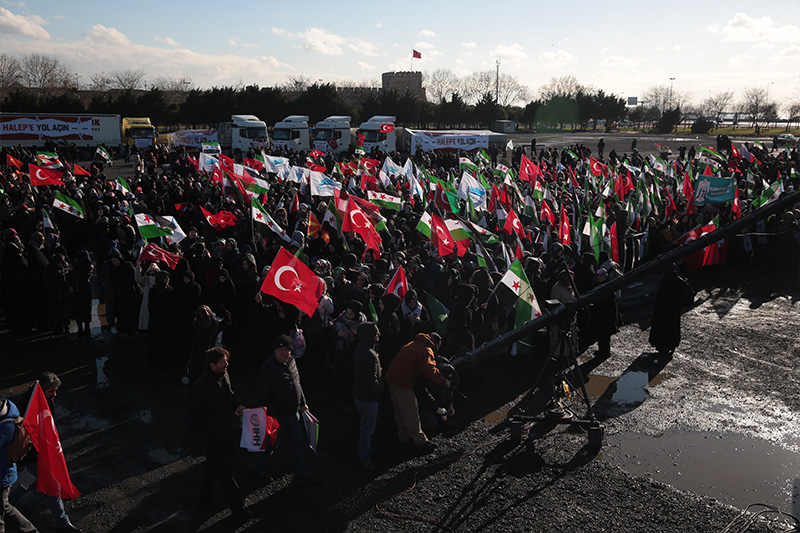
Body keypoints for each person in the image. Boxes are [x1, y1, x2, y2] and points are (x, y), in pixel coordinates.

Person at [10, 373, 80, 532]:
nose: (55, 394)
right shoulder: (26, 407)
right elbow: (19, 439)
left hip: (40, 452)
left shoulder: (45, 399)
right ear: (42, 389)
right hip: (32, 455)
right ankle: (62, 524)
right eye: (52, 391)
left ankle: (6, 504)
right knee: (52, 486)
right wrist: (20, 463)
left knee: (28, 480)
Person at [189, 347, 246, 522]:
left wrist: (238, 406)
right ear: (212, 365)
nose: (227, 364)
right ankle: (239, 511)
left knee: (212, 468)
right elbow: (196, 415)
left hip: (225, 433)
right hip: (214, 437)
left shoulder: (224, 376)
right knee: (226, 474)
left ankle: (204, 500)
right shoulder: (202, 386)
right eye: (223, 362)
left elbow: (230, 394)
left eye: (226, 361)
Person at [257, 335, 317, 483]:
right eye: (280, 350)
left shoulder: (291, 363)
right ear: (274, 351)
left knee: (297, 443)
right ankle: (257, 468)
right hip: (278, 416)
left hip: (293, 413)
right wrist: (273, 415)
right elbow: (263, 394)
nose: (284, 353)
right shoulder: (268, 368)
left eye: (286, 350)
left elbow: (297, 383)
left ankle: (303, 474)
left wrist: (302, 402)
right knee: (271, 445)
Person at [385, 332, 449, 453]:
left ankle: (404, 438)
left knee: (399, 410)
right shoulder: (426, 350)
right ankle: (421, 442)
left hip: (392, 378)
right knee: (411, 410)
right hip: (402, 381)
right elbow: (430, 370)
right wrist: (444, 381)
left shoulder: (414, 344)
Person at [0, 398, 39, 533]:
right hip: (7, 471)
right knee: (5, 507)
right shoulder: (8, 406)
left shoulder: (4, 426)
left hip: (1, 475)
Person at [352, 323, 382, 471]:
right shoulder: (369, 354)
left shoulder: (360, 348)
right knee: (367, 429)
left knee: (365, 426)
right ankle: (364, 457)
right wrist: (380, 392)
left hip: (359, 394)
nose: (378, 335)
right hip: (368, 397)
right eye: (376, 333)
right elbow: (372, 380)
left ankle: (367, 450)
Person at [649, 264, 693, 357]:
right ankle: (670, 344)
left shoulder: (665, 280)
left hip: (663, 309)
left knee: (662, 327)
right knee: (672, 327)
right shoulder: (678, 280)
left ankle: (661, 344)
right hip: (673, 309)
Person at [590, 269, 619, 359]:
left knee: (604, 335)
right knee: (601, 334)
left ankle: (605, 351)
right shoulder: (600, 285)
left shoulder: (607, 287)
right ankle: (602, 350)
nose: (598, 277)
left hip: (605, 315)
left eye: (600, 276)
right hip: (600, 315)